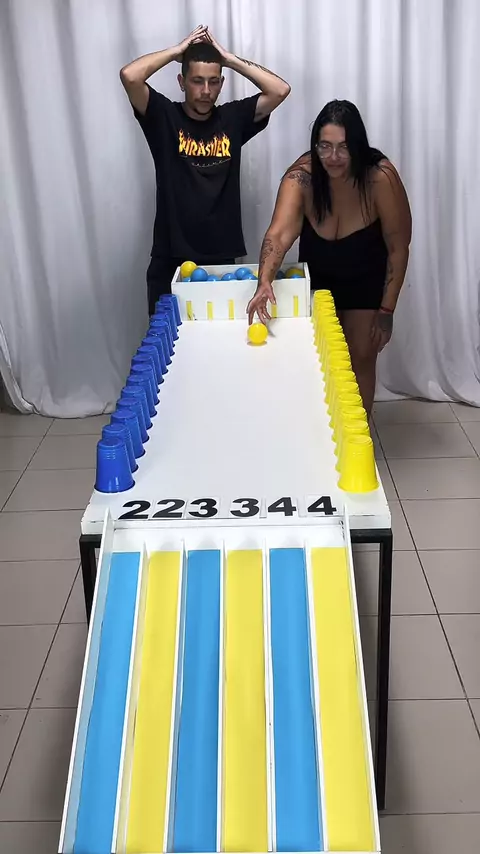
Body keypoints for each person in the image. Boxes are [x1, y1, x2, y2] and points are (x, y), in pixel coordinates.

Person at [247, 100, 412, 415]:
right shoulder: (302, 176)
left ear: (358, 146)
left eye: (343, 147)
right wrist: (264, 280)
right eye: (325, 147)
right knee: (318, 359)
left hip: (365, 277)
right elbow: (278, 234)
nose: (333, 157)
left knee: (361, 356)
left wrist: (387, 309)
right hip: (319, 278)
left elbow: (398, 246)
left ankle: (358, 435)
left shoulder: (379, 177)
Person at [120, 25, 290, 314]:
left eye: (213, 82)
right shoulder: (163, 116)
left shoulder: (232, 118)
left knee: (221, 341)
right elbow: (130, 76)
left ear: (222, 83)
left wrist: (229, 59)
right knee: (166, 341)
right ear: (182, 81)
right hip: (170, 257)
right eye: (197, 81)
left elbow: (280, 90)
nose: (206, 91)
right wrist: (177, 51)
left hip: (220, 260)